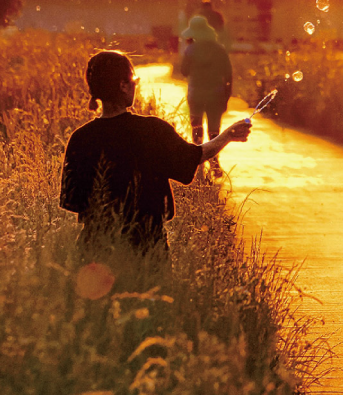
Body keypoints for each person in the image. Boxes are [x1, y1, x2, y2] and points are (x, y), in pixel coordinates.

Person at [60, 50, 251, 265]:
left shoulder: (80, 138)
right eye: (134, 80)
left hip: (93, 249)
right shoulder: (151, 130)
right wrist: (226, 136)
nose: (135, 85)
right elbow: (192, 157)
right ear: (123, 86)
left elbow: (72, 201)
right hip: (146, 246)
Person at [178, 15, 234, 176]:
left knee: (197, 128)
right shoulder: (219, 49)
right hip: (216, 95)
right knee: (214, 130)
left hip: (196, 95)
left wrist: (189, 49)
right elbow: (228, 74)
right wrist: (226, 96)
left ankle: (199, 165)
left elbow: (184, 71)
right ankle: (214, 162)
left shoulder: (190, 50)